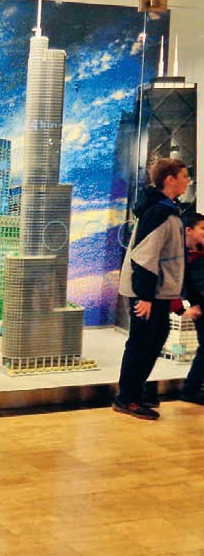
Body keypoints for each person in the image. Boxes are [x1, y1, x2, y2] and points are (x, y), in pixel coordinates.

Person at [116, 157, 190, 420]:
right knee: (141, 342)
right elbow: (144, 257)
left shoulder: (168, 210)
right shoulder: (159, 212)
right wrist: (145, 296)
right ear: (170, 180)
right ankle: (127, 398)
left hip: (159, 292)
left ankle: (137, 391)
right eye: (184, 176)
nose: (188, 181)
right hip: (148, 293)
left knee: (154, 339)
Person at [172, 213, 204, 404]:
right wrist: (181, 310)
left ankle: (192, 388)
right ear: (189, 231)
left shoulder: (198, 253)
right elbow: (173, 283)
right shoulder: (180, 256)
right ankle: (191, 390)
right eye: (202, 228)